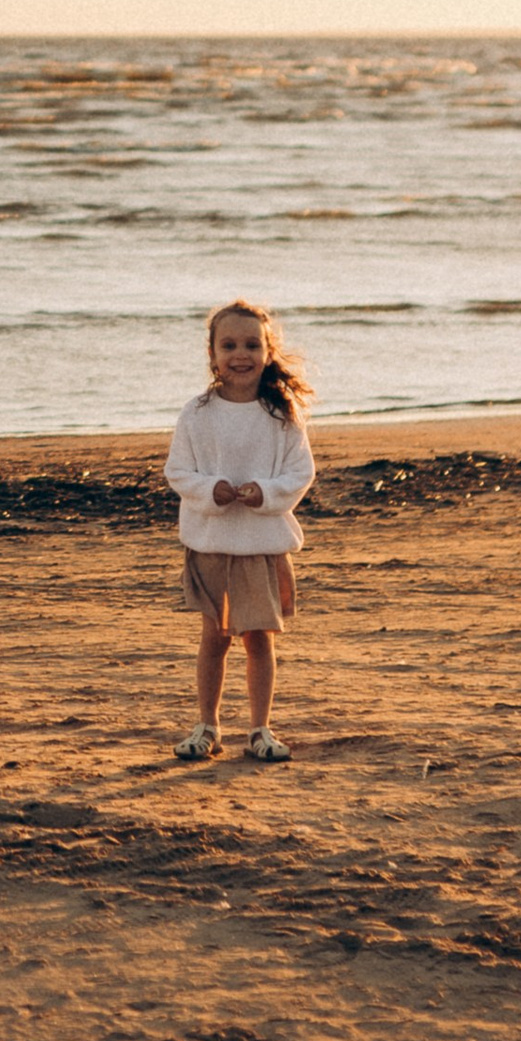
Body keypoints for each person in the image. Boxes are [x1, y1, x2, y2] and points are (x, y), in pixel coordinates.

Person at [164, 300, 316, 765]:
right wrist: (213, 489)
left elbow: (299, 473)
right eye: (228, 345)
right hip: (211, 542)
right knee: (214, 637)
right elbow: (178, 472)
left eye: (252, 344)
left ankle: (260, 729)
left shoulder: (281, 415)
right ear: (212, 354)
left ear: (268, 352)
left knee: (259, 640)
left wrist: (264, 493)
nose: (240, 354)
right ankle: (207, 725)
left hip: (261, 546)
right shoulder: (197, 413)